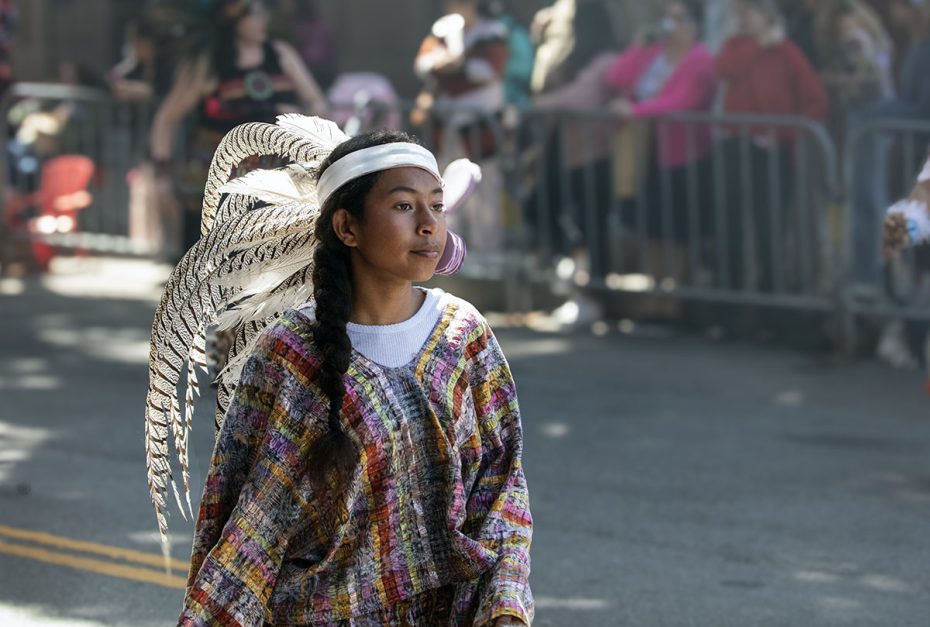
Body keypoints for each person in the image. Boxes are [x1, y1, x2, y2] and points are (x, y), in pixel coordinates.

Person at [144, 115, 532, 626]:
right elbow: (253, 523)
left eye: (436, 205)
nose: (429, 223)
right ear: (347, 226)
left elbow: (501, 489)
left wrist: (504, 607)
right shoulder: (289, 353)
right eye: (402, 205)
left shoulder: (465, 337)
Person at [149, 0, 328, 253]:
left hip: (275, 184)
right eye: (254, 13)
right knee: (215, 266)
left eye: (264, 11)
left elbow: (316, 102)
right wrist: (161, 176)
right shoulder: (208, 64)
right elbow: (165, 120)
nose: (263, 19)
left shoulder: (280, 54)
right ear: (233, 18)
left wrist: (301, 114)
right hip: (216, 185)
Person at [603, 0, 717, 288]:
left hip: (685, 156)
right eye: (668, 19)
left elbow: (684, 100)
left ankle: (680, 296)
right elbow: (616, 76)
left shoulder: (700, 58)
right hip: (647, 152)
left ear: (695, 25)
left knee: (680, 231)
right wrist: (639, 45)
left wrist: (636, 112)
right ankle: (658, 293)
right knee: (653, 227)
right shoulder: (656, 52)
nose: (671, 26)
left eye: (679, 19)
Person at [716, 0, 828, 292]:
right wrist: (759, 45)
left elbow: (815, 100)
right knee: (731, 226)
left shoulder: (787, 52)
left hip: (771, 152)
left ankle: (773, 295)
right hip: (735, 147)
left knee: (771, 230)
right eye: (740, 14)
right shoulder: (735, 46)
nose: (744, 19)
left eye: (749, 13)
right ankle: (731, 293)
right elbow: (726, 69)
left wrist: (783, 134)